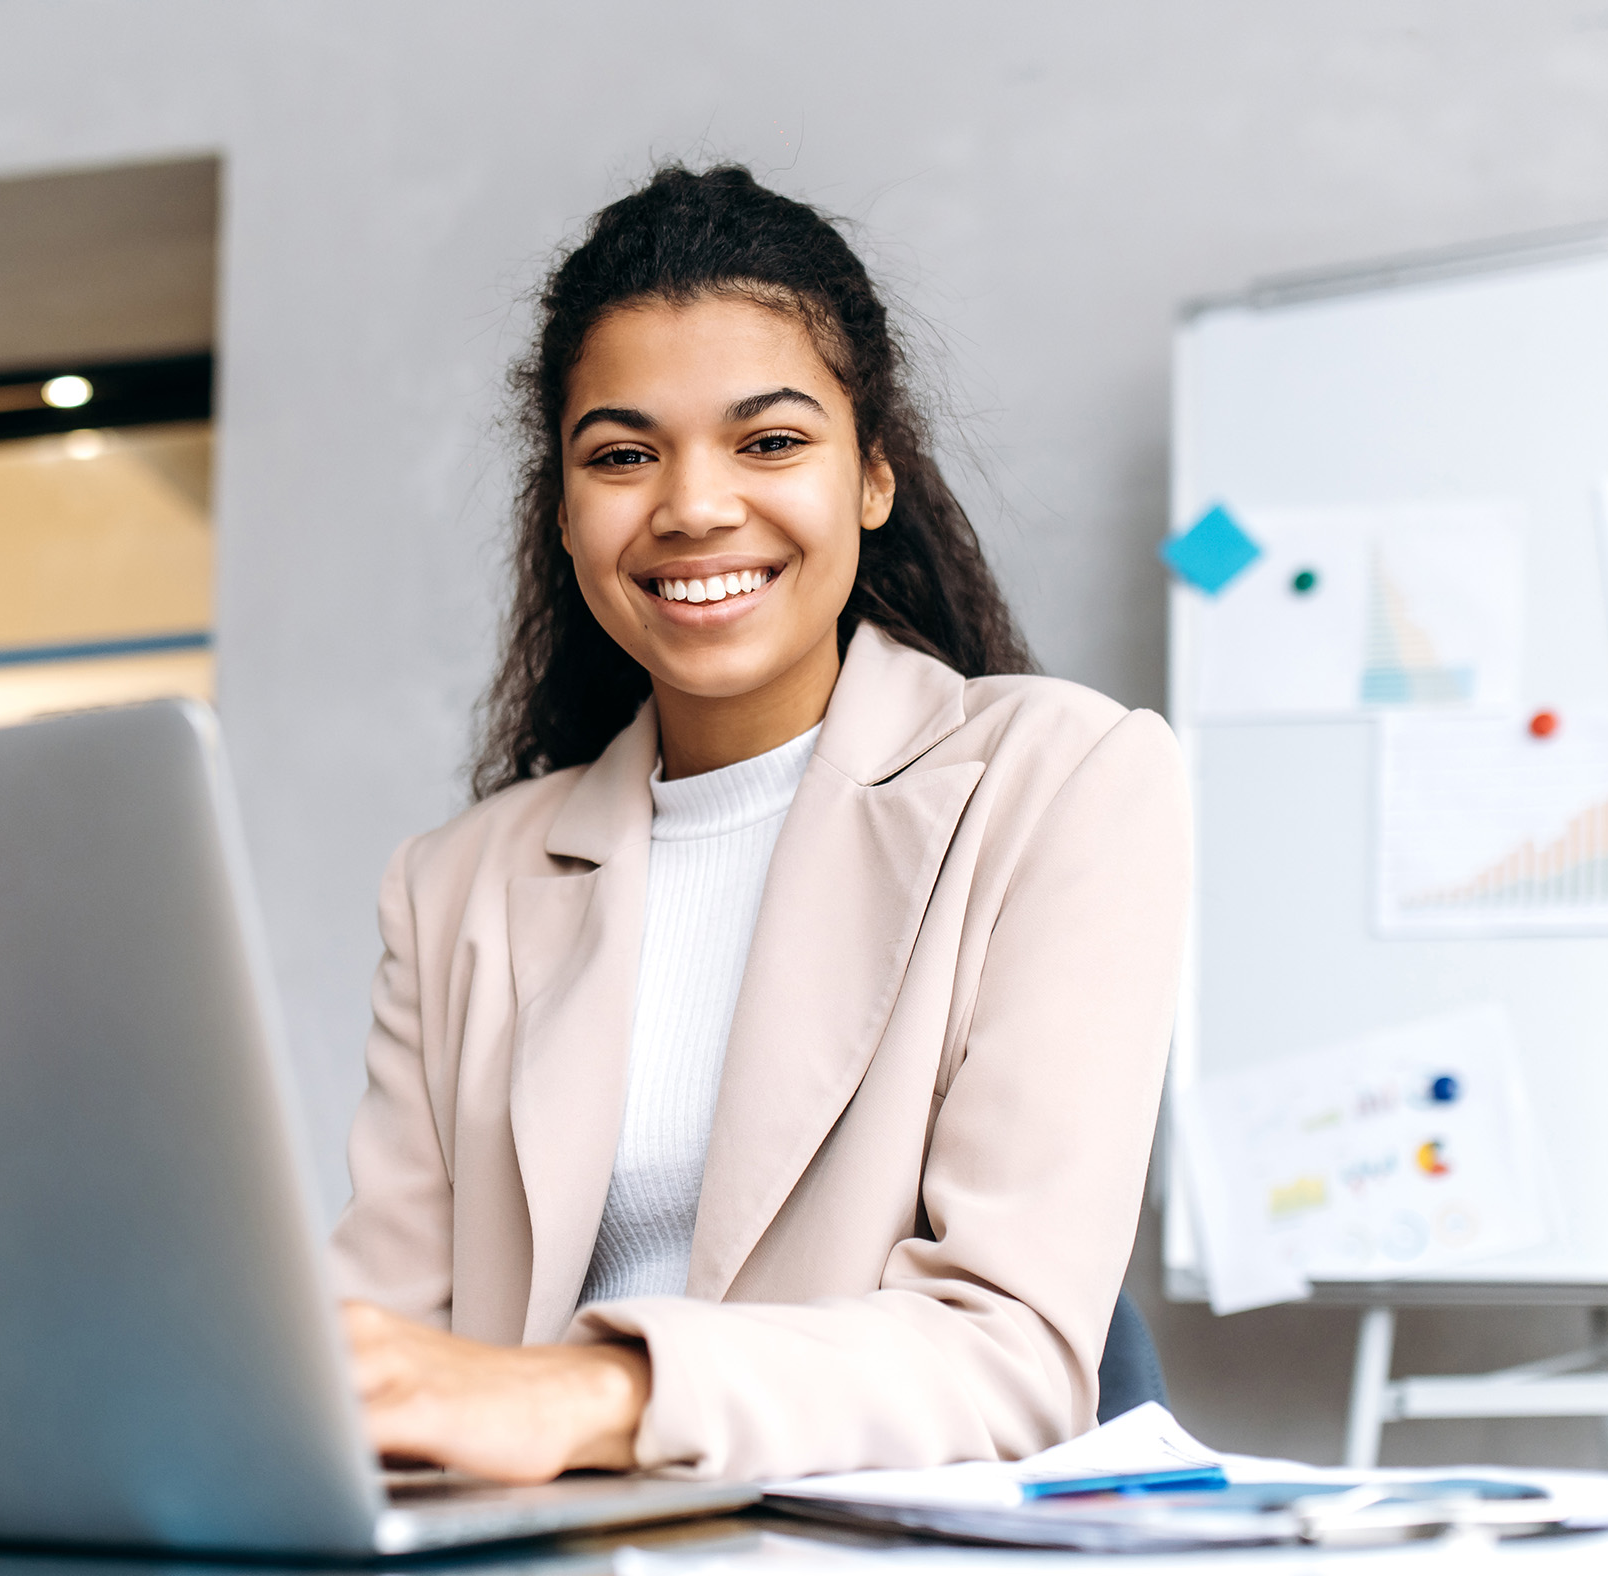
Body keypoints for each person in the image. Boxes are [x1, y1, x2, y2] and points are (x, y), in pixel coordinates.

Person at [330, 163, 1189, 1485]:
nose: (692, 505)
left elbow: (1012, 1352)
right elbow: (386, 1347)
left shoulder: (1065, 783)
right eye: (623, 455)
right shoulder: (457, 888)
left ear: (873, 478)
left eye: (770, 441)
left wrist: (590, 1393)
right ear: (564, 515)